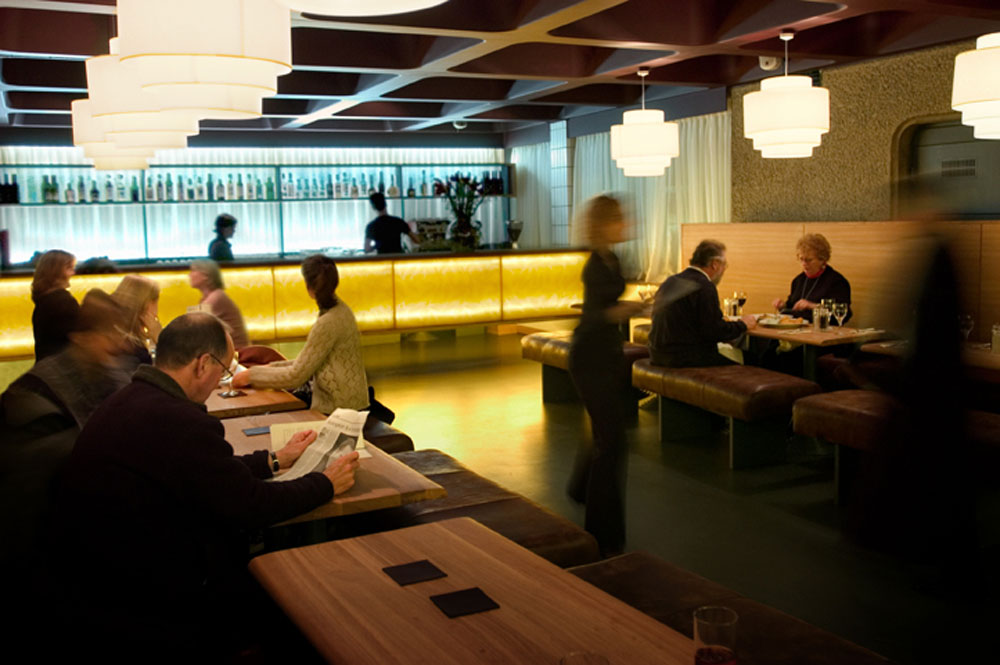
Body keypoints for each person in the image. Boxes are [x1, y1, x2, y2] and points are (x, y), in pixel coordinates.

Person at [52, 312, 360, 657]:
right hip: (147, 598)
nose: (220, 382)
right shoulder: (181, 422)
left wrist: (273, 460)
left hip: (96, 579)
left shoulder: (131, 400)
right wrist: (326, 483)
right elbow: (251, 506)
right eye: (224, 369)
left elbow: (203, 473)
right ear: (202, 364)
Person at [566, 195, 645, 557]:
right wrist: (630, 308)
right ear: (603, 223)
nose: (625, 224)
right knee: (612, 442)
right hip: (589, 356)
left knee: (607, 433)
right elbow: (597, 315)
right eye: (618, 219)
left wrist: (630, 308)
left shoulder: (614, 258)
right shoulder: (595, 265)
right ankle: (602, 533)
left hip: (607, 354)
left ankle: (581, 488)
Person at [232, 255, 369, 414]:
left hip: (337, 411)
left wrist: (251, 375)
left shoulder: (328, 322)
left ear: (309, 288)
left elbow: (296, 376)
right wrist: (270, 367)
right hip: (350, 405)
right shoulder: (341, 311)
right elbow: (308, 362)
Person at [649, 239, 757, 367]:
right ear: (715, 264)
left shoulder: (671, 281)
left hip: (658, 355)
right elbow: (714, 331)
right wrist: (742, 325)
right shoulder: (704, 286)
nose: (723, 270)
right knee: (754, 360)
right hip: (684, 359)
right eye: (724, 265)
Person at [772, 233, 852, 323]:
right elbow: (792, 309)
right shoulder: (798, 280)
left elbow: (843, 314)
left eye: (809, 260)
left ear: (822, 259)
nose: (804, 264)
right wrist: (782, 306)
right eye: (801, 259)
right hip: (796, 332)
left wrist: (812, 306)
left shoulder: (837, 282)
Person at [189, 258, 249, 349]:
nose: (189, 275)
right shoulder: (209, 298)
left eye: (193, 270)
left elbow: (194, 328)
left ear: (206, 275)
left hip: (237, 354)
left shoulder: (216, 298)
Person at [30, 249, 78, 361]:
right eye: (69, 268)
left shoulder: (43, 299)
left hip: (46, 367)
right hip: (63, 368)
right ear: (56, 271)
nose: (73, 273)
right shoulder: (63, 301)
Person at [112, 273, 161, 373]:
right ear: (147, 305)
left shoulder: (111, 336)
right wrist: (160, 339)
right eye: (156, 302)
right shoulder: (134, 351)